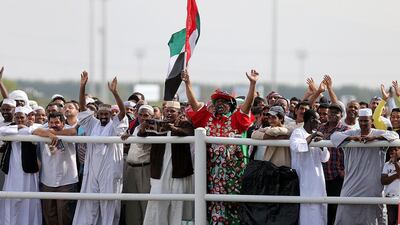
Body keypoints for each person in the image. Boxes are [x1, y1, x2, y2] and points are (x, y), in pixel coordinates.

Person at [182, 69, 257, 224]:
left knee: (234, 202)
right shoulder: (207, 119)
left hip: (233, 171)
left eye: (224, 102)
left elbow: (247, 106)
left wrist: (253, 84)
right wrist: (187, 83)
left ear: (231, 106)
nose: (220, 105)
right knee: (212, 201)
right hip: (211, 170)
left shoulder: (236, 119)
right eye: (217, 102)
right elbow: (195, 105)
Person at [72, 71, 128, 225]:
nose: (103, 116)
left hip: (109, 170)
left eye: (106, 114)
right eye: (101, 113)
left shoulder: (115, 124)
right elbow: (82, 108)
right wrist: (82, 86)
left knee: (108, 205)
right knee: (90, 205)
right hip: (92, 170)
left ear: (111, 114)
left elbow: (122, 112)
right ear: (96, 114)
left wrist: (115, 92)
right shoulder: (92, 123)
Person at [331, 108, 399, 225]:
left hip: (372, 185)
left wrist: (375, 139)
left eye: (365, 121)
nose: (363, 124)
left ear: (371, 120)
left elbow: (395, 135)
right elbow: (334, 137)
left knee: (374, 217)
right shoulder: (352, 133)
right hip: (352, 183)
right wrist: (353, 139)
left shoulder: (378, 133)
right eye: (361, 121)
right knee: (345, 214)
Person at [141, 101, 194, 225]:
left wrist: (172, 128)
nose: (169, 113)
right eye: (167, 111)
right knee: (158, 202)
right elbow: (143, 135)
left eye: (172, 111)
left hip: (178, 171)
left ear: (179, 112)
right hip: (160, 169)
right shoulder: (158, 123)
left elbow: (188, 133)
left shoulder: (185, 123)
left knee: (177, 203)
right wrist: (143, 129)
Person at [33, 112, 78, 225]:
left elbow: (73, 132)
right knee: (49, 213)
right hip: (47, 180)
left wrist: (54, 134)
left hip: (67, 180)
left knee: (65, 214)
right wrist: (50, 134)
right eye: (51, 122)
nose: (53, 125)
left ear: (63, 123)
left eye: (57, 122)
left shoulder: (68, 129)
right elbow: (34, 131)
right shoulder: (45, 129)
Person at [0, 106, 42, 225]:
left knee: (28, 201)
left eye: (21, 117)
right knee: (11, 200)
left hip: (28, 171)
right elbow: (2, 131)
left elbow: (37, 131)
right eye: (17, 117)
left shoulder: (33, 127)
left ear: (26, 117)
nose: (19, 119)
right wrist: (19, 127)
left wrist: (25, 128)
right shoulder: (9, 128)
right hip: (13, 170)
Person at [290, 109, 329, 225]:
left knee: (320, 206)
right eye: (317, 119)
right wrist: (312, 137)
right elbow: (297, 147)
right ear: (311, 119)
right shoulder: (298, 132)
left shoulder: (317, 135)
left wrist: (322, 145)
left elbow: (325, 158)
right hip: (304, 178)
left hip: (318, 179)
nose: (319, 121)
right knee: (306, 207)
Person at [121, 105, 154, 225]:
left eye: (146, 115)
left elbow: (143, 135)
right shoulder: (136, 128)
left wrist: (142, 129)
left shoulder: (153, 128)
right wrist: (129, 136)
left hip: (143, 168)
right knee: (131, 205)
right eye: (140, 115)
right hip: (130, 168)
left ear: (152, 117)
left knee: (145, 203)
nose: (143, 118)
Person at [317, 103, 350, 225]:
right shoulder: (320, 128)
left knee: (335, 208)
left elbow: (350, 153)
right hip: (321, 175)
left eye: (336, 112)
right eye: (330, 111)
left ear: (341, 115)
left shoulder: (346, 130)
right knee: (322, 208)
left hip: (337, 175)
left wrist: (345, 170)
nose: (332, 114)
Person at [381, 147, 400, 225]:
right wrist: (396, 175)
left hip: (399, 198)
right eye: (391, 150)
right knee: (391, 222)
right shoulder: (386, 164)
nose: (393, 152)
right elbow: (383, 181)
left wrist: (395, 163)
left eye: (396, 149)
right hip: (390, 198)